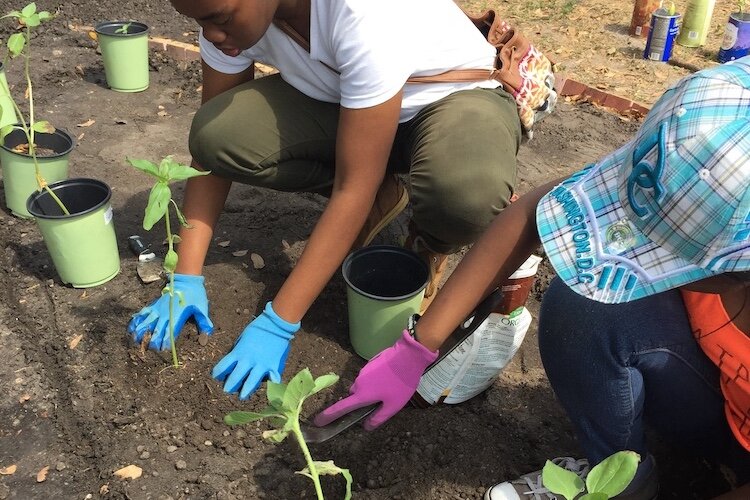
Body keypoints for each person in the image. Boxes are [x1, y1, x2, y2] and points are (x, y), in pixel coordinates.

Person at [315, 57, 750, 499]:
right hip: (712, 391)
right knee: (586, 306)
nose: (627, 252)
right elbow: (529, 215)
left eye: (656, 256)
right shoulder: (713, 129)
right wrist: (415, 349)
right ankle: (619, 479)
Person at [126, 0, 556, 400]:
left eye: (219, 18)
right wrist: (185, 277)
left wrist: (279, 323)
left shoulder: (362, 14)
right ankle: (382, 187)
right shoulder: (231, 22)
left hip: (450, 101)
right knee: (217, 135)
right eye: (199, 22)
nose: (212, 35)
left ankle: (431, 240)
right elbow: (207, 161)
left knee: (464, 196)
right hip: (350, 104)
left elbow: (355, 186)